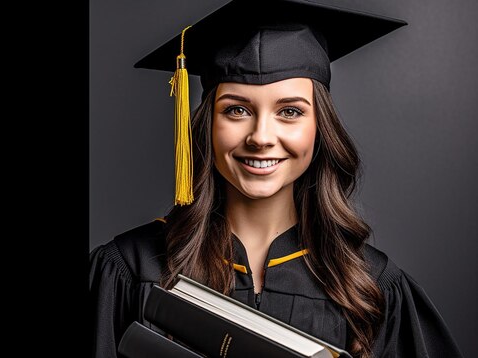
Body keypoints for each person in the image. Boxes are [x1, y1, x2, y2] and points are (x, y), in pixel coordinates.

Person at [89, 0, 464, 357]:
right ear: (206, 126)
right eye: (236, 110)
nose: (261, 136)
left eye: (289, 111)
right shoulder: (130, 269)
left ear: (320, 127)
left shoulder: (369, 286)